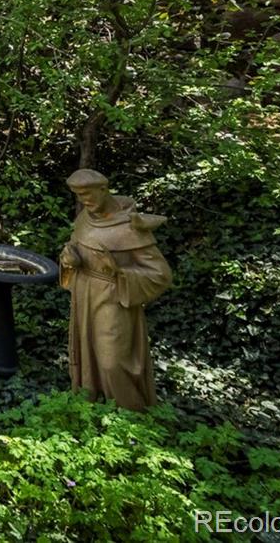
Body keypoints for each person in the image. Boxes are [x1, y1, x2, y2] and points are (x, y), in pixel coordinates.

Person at [58, 168, 172, 410]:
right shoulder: (84, 219)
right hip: (84, 293)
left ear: (103, 189)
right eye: (79, 195)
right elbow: (74, 245)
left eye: (87, 194)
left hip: (114, 297)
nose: (84, 200)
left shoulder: (130, 227)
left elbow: (160, 274)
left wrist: (119, 273)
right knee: (86, 352)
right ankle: (93, 407)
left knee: (113, 361)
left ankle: (130, 414)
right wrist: (69, 258)